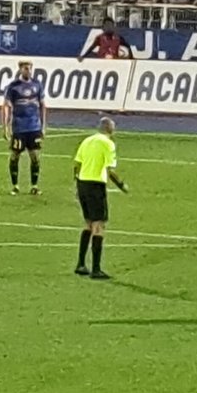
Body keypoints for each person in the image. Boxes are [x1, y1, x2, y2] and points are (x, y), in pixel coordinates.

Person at [72, 117, 129, 280]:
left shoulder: (87, 141)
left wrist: (76, 185)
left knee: (88, 223)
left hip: (82, 183)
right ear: (110, 129)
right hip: (96, 185)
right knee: (99, 225)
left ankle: (80, 264)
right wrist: (122, 185)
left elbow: (77, 165)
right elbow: (110, 171)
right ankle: (96, 269)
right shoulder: (108, 144)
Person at [0, 60, 46, 196]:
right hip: (19, 128)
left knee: (35, 156)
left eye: (30, 69)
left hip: (34, 127)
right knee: (15, 156)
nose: (28, 71)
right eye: (26, 69)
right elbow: (6, 106)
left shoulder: (37, 85)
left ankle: (34, 185)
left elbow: (43, 105)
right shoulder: (13, 87)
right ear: (20, 69)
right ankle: (15, 186)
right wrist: (5, 127)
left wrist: (43, 126)